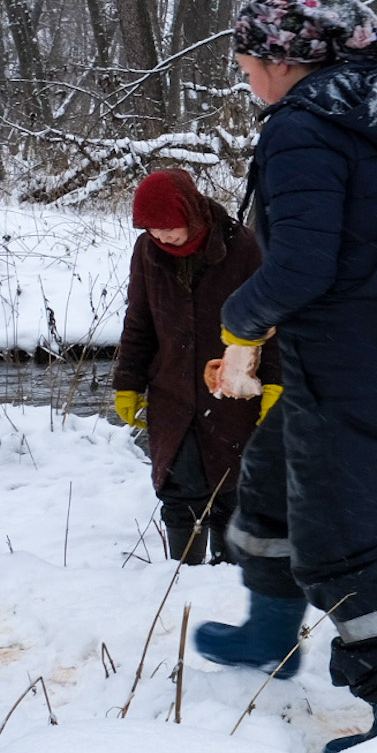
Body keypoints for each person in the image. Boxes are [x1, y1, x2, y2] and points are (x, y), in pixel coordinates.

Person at [190, 0, 377, 753]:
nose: (243, 76)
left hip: (351, 353)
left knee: (344, 542)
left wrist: (241, 318)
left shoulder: (305, 126)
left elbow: (302, 263)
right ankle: (270, 632)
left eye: (244, 63)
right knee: (269, 481)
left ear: (280, 61)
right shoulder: (373, 110)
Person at [111, 168, 281, 565]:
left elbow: (273, 324)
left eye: (168, 228)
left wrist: (274, 383)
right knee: (179, 492)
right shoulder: (147, 251)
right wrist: (128, 383)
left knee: (230, 492)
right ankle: (181, 576)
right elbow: (139, 321)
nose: (161, 237)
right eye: (151, 230)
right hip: (170, 394)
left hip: (232, 393)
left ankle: (227, 575)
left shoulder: (243, 249)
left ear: (191, 213)